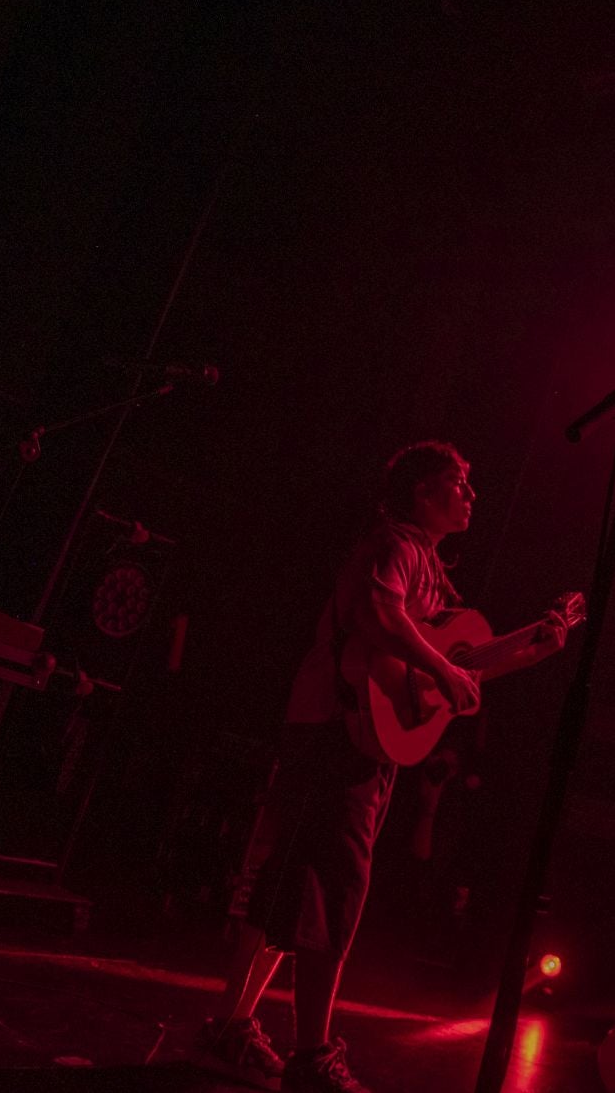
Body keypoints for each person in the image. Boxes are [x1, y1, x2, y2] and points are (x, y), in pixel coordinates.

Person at [197, 441, 566, 1093]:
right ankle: (309, 1055)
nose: (472, 494)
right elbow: (382, 616)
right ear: (423, 492)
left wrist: (531, 646)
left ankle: (231, 1026)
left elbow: (457, 658)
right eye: (458, 482)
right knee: (334, 889)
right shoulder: (394, 544)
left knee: (294, 885)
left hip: (354, 740)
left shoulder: (427, 564)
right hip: (337, 732)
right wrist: (445, 667)